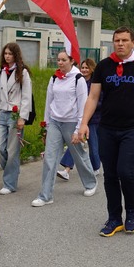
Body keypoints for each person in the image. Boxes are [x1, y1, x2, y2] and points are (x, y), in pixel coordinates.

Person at [77, 27, 134, 236]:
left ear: (133, 42)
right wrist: (83, 123)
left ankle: (131, 212)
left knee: (125, 172)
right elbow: (92, 97)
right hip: (107, 129)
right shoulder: (104, 66)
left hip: (133, 128)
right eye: (117, 40)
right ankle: (114, 218)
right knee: (110, 175)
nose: (120, 44)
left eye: (125, 40)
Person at [33, 50, 97, 207]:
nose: (60, 62)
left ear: (71, 61)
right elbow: (49, 102)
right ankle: (46, 195)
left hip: (71, 122)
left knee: (79, 154)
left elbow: (83, 104)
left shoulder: (78, 79)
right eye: (58, 60)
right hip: (55, 121)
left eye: (63, 60)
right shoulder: (54, 78)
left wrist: (79, 128)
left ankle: (90, 183)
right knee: (49, 157)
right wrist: (46, 126)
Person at [0, 42, 33, 195]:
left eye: (10, 54)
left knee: (12, 150)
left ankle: (9, 183)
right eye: (5, 54)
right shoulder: (1, 71)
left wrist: (22, 118)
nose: (7, 56)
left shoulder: (22, 72)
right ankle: (12, 170)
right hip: (2, 113)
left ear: (15, 55)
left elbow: (26, 96)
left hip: (15, 114)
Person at [56, 58, 101, 181]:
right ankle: (66, 170)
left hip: (94, 120)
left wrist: (88, 107)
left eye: (87, 67)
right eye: (83, 67)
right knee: (75, 142)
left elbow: (100, 101)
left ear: (92, 69)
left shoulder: (96, 83)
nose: (84, 70)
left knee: (93, 146)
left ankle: (96, 167)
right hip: (79, 119)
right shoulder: (78, 81)